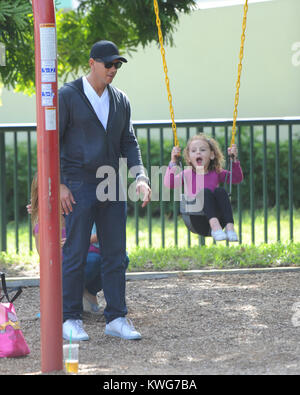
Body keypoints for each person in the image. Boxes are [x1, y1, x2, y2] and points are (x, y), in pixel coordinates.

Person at [59, 40, 151, 341]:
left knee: (115, 253)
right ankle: (70, 318)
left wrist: (140, 177)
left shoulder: (121, 99)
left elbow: (129, 142)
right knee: (74, 252)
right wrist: (58, 184)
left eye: (117, 65)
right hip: (77, 184)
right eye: (108, 63)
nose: (113, 69)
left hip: (111, 183)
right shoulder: (68, 96)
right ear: (92, 63)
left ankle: (116, 318)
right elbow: (52, 142)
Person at [28, 173, 105, 315]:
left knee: (96, 260)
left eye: (54, 190)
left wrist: (75, 239)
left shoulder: (75, 209)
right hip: (62, 267)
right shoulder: (42, 223)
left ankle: (86, 295)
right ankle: (60, 303)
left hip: (81, 258)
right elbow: (44, 256)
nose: (51, 196)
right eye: (46, 192)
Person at [164, 133, 243, 242]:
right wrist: (173, 162)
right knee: (205, 192)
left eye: (202, 150)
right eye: (193, 151)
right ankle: (215, 227)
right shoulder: (187, 173)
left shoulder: (217, 172)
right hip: (196, 219)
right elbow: (169, 183)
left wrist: (234, 160)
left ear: (212, 155)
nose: (198, 152)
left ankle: (230, 228)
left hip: (219, 218)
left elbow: (236, 178)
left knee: (220, 191)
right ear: (189, 158)